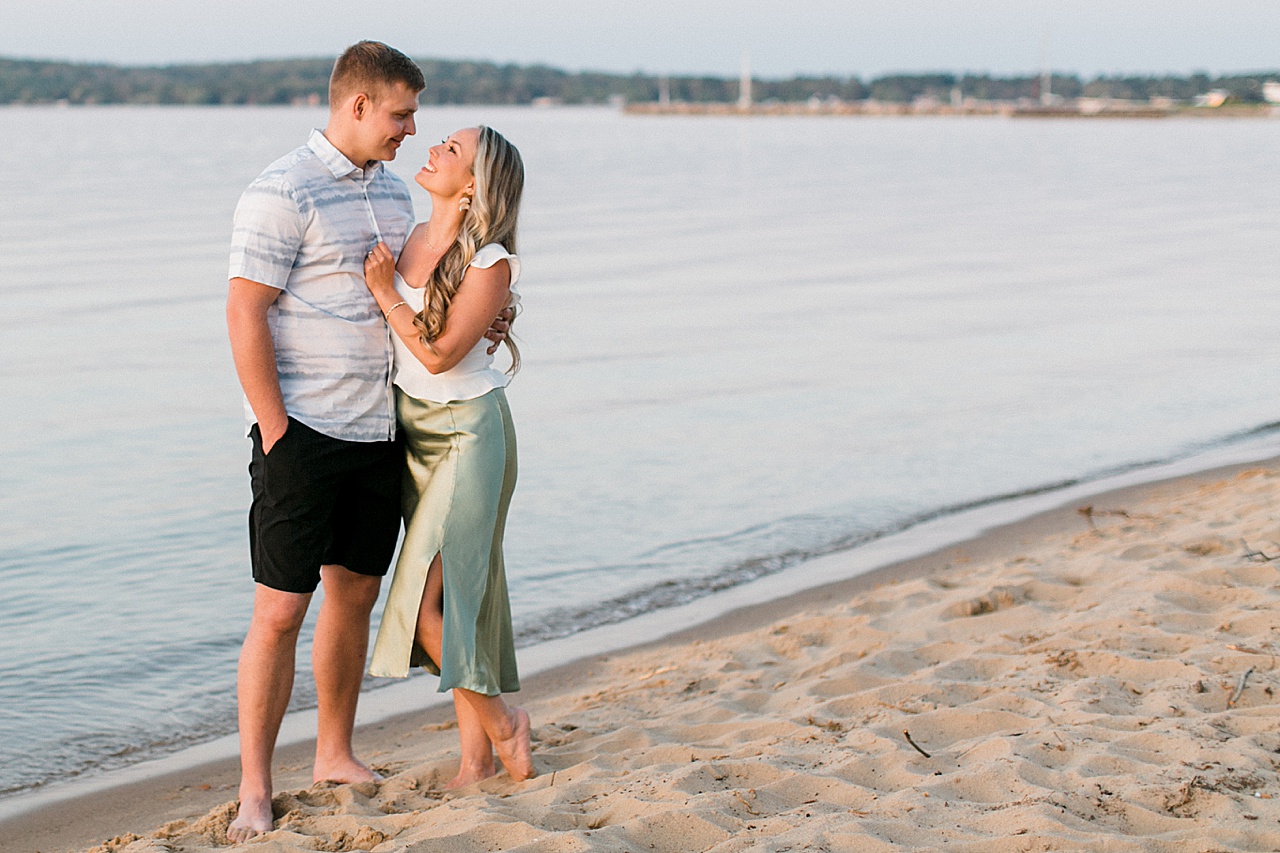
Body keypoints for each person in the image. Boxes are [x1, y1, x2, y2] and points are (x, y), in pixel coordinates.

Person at [225, 42, 506, 841]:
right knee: (279, 611)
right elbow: (245, 312)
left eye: (414, 116)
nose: (412, 131)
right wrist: (275, 430)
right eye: (401, 113)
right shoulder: (282, 190)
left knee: (354, 596)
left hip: (382, 431)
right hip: (304, 435)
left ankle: (335, 753)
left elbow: (426, 291)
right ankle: (253, 786)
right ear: (357, 106)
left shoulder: (392, 194)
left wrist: (490, 312)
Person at [361, 125, 535, 788]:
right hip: (414, 436)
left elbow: (438, 353)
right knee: (463, 599)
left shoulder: (489, 260)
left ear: (472, 186)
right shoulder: (411, 236)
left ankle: (502, 725)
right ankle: (475, 760)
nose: (434, 147)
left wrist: (384, 293)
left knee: (423, 603)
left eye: (452, 150)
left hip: (468, 434)